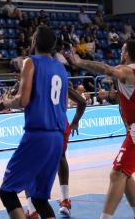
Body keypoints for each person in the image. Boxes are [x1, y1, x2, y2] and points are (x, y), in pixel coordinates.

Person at [0, 25, 68, 219]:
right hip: (57, 138)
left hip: (38, 134)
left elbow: (23, 100)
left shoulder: (30, 62)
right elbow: (64, 105)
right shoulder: (61, 68)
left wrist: (4, 102)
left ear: (34, 41)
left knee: (7, 191)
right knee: (39, 199)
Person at [70, 40, 135, 219]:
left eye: (122, 49)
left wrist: (80, 62)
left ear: (127, 53)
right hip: (132, 128)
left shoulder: (128, 71)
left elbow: (107, 69)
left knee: (117, 174)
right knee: (125, 174)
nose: (120, 52)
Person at [25, 87, 86, 218]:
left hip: (42, 126)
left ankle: (32, 211)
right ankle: (65, 201)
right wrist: (75, 121)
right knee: (61, 158)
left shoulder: (33, 79)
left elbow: (20, 102)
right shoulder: (60, 79)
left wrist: (7, 100)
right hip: (61, 124)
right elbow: (82, 102)